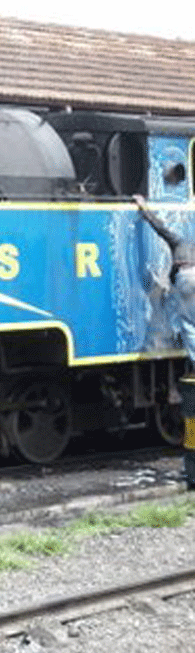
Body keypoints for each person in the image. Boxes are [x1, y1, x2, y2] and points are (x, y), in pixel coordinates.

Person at [134, 194, 195, 487]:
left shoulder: (179, 241)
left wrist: (143, 208)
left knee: (187, 324)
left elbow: (160, 227)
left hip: (185, 278)